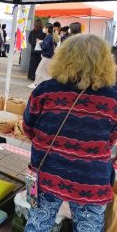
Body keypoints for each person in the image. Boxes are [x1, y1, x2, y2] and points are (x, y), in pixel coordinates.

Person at [23, 34, 117, 232]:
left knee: (38, 224)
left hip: (46, 172)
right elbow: (111, 139)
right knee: (88, 228)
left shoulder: (45, 90)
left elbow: (28, 128)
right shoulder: (113, 98)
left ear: (64, 57)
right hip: (91, 180)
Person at [28, 23, 55, 89]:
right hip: (48, 57)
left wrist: (40, 42)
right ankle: (42, 84)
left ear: (47, 29)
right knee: (44, 72)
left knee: (39, 71)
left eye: (44, 28)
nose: (43, 29)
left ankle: (36, 84)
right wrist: (42, 41)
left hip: (47, 57)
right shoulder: (50, 36)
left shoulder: (49, 36)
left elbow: (45, 46)